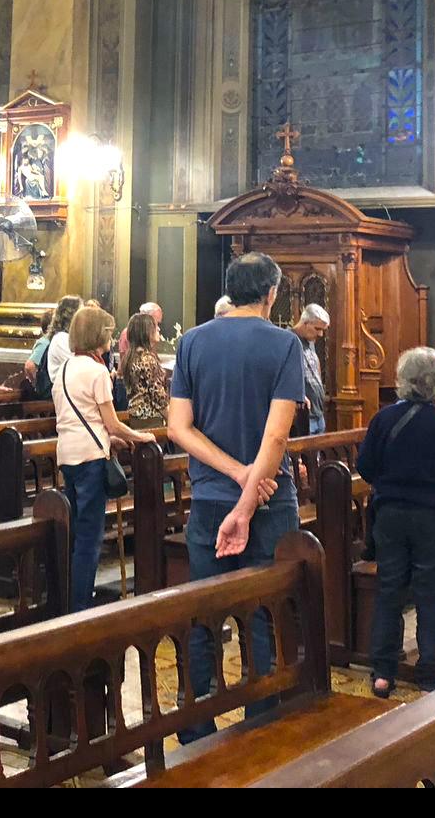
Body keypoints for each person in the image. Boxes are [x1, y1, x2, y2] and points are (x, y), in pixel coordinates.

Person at [168, 252, 301, 741]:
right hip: (267, 502)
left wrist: (232, 473)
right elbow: (276, 437)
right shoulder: (284, 344)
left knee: (204, 611)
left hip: (208, 499)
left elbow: (179, 428)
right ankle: (260, 724)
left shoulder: (192, 341)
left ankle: (194, 728)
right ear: (271, 293)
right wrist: (248, 490)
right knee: (264, 614)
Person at [357, 347, 435, 696]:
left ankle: (382, 672)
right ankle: (428, 675)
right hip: (433, 517)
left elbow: (365, 467)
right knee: (430, 594)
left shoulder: (384, 419)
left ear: (403, 380)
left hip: (390, 516)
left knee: (389, 590)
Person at [56, 306, 155, 611]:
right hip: (90, 459)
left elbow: (77, 417)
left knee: (76, 533)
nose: (111, 339)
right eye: (109, 333)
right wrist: (140, 437)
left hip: (67, 455)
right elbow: (112, 423)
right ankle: (81, 608)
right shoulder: (97, 371)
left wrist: (108, 438)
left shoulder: (65, 368)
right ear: (98, 335)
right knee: (90, 537)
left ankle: (71, 600)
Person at [23, 294, 80, 396]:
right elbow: (30, 365)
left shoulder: (67, 339)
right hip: (56, 395)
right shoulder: (59, 339)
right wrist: (35, 383)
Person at [119, 311, 169, 426]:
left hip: (136, 416)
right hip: (150, 418)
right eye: (155, 326)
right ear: (146, 331)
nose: (159, 329)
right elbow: (157, 395)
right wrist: (171, 418)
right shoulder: (147, 359)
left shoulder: (131, 356)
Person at [293, 303, 330, 436]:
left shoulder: (310, 342)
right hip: (303, 415)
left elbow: (315, 368)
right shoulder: (289, 340)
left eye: (322, 330)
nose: (320, 334)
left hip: (318, 412)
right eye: (317, 329)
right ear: (305, 323)